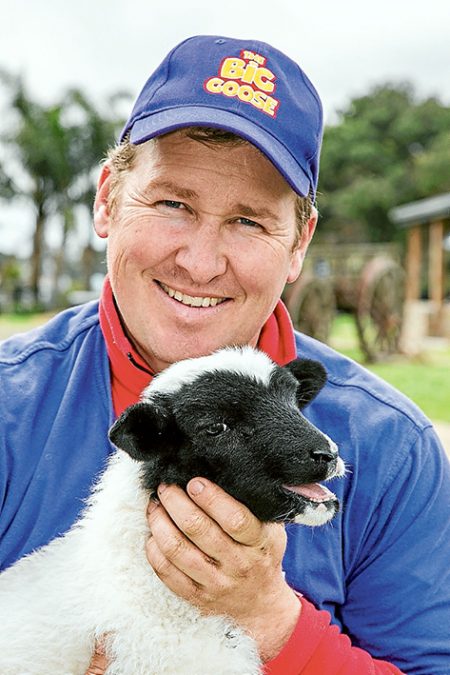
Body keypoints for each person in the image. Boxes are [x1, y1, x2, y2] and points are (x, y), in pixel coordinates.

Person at [1, 35, 449, 675]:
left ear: (299, 243)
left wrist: (270, 620)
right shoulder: (10, 412)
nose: (201, 262)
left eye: (248, 221)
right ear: (107, 200)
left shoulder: (391, 449)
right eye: (172, 203)